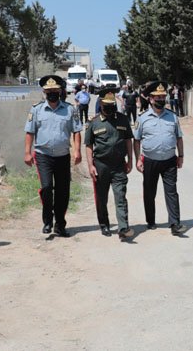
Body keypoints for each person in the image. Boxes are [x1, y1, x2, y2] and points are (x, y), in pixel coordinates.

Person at [24, 75, 82, 237]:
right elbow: (29, 132)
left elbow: (77, 131)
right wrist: (27, 153)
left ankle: (60, 225)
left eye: (55, 90)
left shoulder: (70, 109)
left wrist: (77, 150)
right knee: (47, 187)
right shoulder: (36, 110)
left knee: (63, 191)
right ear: (44, 92)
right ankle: (48, 221)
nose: (52, 93)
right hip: (43, 156)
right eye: (49, 91)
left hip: (63, 156)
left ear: (60, 91)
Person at [133, 81, 187, 235]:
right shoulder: (142, 118)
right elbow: (136, 140)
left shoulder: (172, 117)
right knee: (149, 193)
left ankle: (175, 224)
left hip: (170, 161)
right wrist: (138, 159)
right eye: (158, 97)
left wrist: (181, 156)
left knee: (171, 192)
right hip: (150, 161)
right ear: (151, 99)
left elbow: (179, 137)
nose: (161, 100)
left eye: (163, 97)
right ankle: (150, 220)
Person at [84, 88, 135, 240]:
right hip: (101, 165)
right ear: (101, 104)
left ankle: (123, 227)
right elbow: (88, 145)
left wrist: (130, 160)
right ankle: (104, 224)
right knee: (102, 198)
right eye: (106, 105)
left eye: (112, 105)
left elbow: (128, 140)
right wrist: (90, 165)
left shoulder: (122, 119)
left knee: (120, 196)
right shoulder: (93, 123)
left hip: (119, 165)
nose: (109, 108)